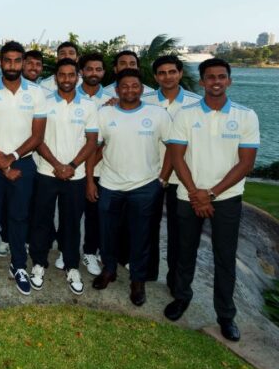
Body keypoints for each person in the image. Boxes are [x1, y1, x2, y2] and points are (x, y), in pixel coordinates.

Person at [164, 58, 259, 342]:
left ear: (229, 80)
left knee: (225, 258)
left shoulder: (246, 115)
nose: (215, 81)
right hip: (187, 195)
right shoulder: (185, 114)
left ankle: (226, 315)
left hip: (226, 198)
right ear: (202, 82)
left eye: (221, 77)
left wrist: (212, 194)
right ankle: (182, 298)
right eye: (209, 77)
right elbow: (176, 156)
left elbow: (246, 164)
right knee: (184, 253)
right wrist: (196, 192)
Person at [89, 69, 171, 307]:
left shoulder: (157, 114)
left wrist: (162, 180)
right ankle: (109, 270)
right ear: (117, 90)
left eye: (135, 85)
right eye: (124, 86)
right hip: (110, 184)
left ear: (142, 88)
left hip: (145, 186)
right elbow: (96, 149)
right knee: (108, 232)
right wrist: (89, 180)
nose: (130, 90)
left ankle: (138, 281)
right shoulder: (104, 113)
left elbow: (174, 148)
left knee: (141, 236)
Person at [0, 41, 47, 296]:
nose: (13, 65)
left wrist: (13, 157)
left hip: (23, 163)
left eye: (18, 61)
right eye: (8, 60)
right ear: (0, 63)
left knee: (19, 217)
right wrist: (1, 161)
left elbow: (38, 135)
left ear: (24, 63)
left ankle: (19, 266)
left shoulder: (37, 93)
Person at [28, 58, 98, 294]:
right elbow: (37, 139)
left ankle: (71, 266)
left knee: (71, 224)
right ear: (56, 77)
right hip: (47, 172)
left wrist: (71, 165)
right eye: (62, 75)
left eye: (71, 75)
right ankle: (38, 263)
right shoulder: (44, 103)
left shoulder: (89, 106)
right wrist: (58, 165)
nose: (67, 79)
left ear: (77, 76)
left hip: (74, 176)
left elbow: (91, 142)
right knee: (41, 221)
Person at [143, 55, 201, 289]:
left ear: (180, 73)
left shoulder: (196, 103)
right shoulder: (145, 101)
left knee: (180, 234)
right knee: (147, 227)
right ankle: (147, 272)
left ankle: (176, 282)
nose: (167, 77)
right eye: (162, 73)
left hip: (181, 178)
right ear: (156, 77)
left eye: (172, 72)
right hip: (148, 175)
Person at [76, 53, 112, 276]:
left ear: (104, 73)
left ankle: (90, 252)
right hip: (69, 166)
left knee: (94, 215)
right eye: (89, 69)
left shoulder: (112, 99)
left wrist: (89, 173)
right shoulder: (66, 94)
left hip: (98, 169)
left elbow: (107, 139)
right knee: (70, 214)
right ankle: (65, 250)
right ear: (81, 72)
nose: (94, 73)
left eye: (98, 69)